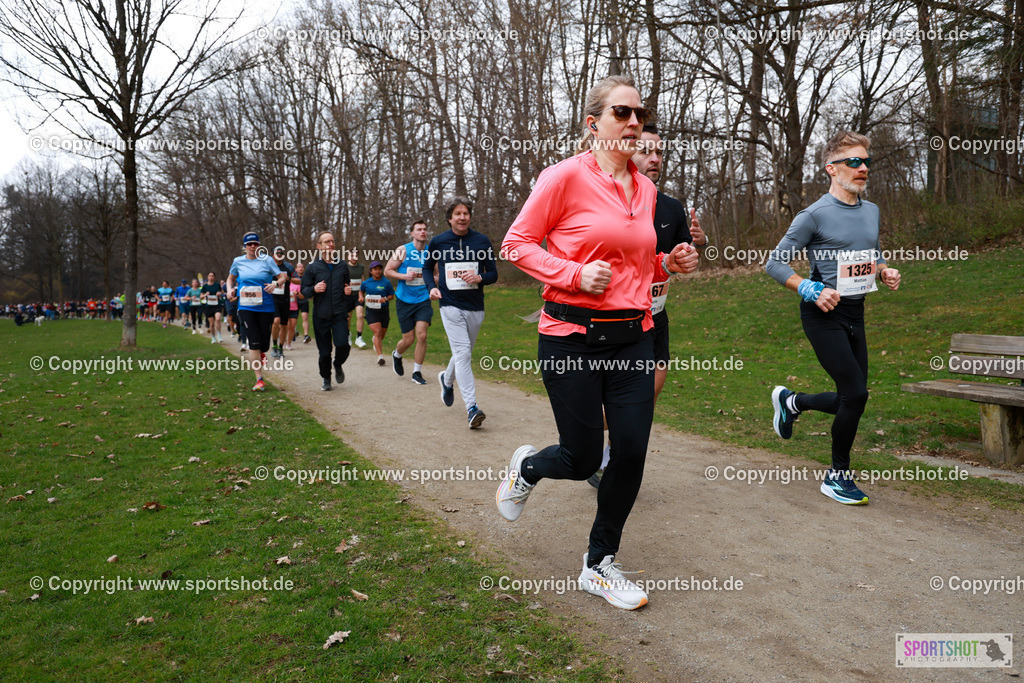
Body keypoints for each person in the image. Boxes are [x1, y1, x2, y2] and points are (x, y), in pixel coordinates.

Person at [497, 75, 698, 611]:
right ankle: (527, 469)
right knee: (582, 456)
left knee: (629, 452)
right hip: (571, 338)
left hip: (634, 338)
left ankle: (599, 564)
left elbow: (637, 265)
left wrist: (668, 263)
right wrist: (571, 274)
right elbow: (516, 244)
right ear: (594, 124)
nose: (634, 122)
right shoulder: (563, 177)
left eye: (640, 114)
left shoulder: (646, 189)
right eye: (622, 113)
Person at [765, 130, 901, 505]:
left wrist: (884, 271)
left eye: (866, 162)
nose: (863, 168)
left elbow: (873, 253)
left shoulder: (871, 211)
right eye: (854, 162)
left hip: (856, 313)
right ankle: (837, 476)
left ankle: (793, 403)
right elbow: (774, 263)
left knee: (850, 398)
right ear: (832, 168)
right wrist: (809, 288)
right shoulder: (814, 215)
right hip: (823, 315)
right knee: (856, 394)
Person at [588, 122, 709, 488]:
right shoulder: (604, 198)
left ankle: (610, 460)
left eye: (659, 152)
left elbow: (681, 256)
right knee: (613, 406)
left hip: (655, 316)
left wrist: (696, 247)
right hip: (610, 319)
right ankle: (585, 441)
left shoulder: (671, 207)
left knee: (646, 396)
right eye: (646, 151)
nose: (655, 158)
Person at [422, 197, 498, 429]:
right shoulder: (438, 241)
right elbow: (427, 268)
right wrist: (431, 288)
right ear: (449, 218)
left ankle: (447, 380)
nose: (462, 217)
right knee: (463, 353)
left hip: (475, 306)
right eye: (457, 214)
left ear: (470, 217)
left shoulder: (482, 241)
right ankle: (472, 408)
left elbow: (493, 273)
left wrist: (479, 277)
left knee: (463, 352)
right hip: (449, 304)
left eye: (465, 213)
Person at [227, 231, 289, 392]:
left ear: (259, 245)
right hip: (245, 307)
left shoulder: (267, 260)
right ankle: (259, 379)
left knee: (264, 345)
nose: (252, 246)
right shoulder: (238, 261)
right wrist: (229, 289)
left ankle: (261, 353)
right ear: (245, 246)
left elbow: (282, 277)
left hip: (265, 307)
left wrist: (275, 284)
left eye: (255, 244)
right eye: (249, 244)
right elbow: (230, 278)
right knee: (253, 342)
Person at [301, 231, 352, 391]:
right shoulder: (312, 267)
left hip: (339, 313)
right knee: (324, 352)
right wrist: (314, 289)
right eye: (327, 242)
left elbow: (347, 284)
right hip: (321, 315)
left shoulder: (342, 265)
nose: (331, 244)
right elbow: (304, 290)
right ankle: (326, 378)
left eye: (332, 241)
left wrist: (348, 290)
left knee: (343, 344)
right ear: (319, 246)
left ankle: (337, 364)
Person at [384, 219, 432, 384]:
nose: (422, 232)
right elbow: (388, 271)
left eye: (424, 229)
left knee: (422, 335)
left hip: (423, 299)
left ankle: (417, 372)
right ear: (412, 233)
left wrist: (433, 280)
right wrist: (404, 276)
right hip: (404, 299)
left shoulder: (431, 252)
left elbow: (437, 274)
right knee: (408, 339)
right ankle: (397, 354)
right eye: (419, 229)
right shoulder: (403, 250)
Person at [359, 260, 395, 366]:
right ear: (371, 271)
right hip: (371, 310)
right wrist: (361, 297)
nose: (378, 271)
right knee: (378, 332)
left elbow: (391, 295)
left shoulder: (386, 282)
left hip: (383, 310)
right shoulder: (366, 282)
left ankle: (375, 340)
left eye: (379, 269)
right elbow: (361, 291)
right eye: (375, 269)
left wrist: (385, 298)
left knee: (381, 334)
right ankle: (380, 356)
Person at [270, 246, 298, 358]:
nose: (279, 255)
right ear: (273, 255)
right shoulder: (269, 266)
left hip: (285, 299)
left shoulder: (288, 266)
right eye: (277, 253)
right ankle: (274, 345)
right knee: (276, 320)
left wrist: (289, 279)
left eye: (281, 253)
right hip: (273, 298)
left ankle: (281, 348)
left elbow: (299, 280)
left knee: (284, 325)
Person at [346, 248, 368, 348]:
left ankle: (359, 337)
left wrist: (362, 294)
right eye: (352, 255)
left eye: (356, 255)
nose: (354, 257)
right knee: (348, 318)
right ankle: (348, 335)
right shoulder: (344, 267)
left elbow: (362, 281)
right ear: (348, 256)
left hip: (358, 296)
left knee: (360, 315)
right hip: (347, 297)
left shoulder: (361, 267)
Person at [200, 272, 223, 343]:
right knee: (212, 324)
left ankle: (219, 335)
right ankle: (213, 337)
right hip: (209, 306)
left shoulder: (217, 285)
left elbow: (222, 292)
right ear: (207, 277)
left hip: (217, 305)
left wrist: (219, 293)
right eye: (210, 276)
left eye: (212, 276)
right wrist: (205, 295)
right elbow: (201, 296)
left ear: (214, 277)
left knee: (218, 319)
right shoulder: (205, 286)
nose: (211, 277)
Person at [294, 262, 311, 344]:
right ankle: (294, 331)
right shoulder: (293, 279)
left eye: (302, 267)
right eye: (299, 267)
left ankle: (306, 335)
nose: (301, 268)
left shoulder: (307, 278)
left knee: (305, 317)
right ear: (296, 269)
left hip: (304, 300)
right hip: (294, 301)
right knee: (294, 318)